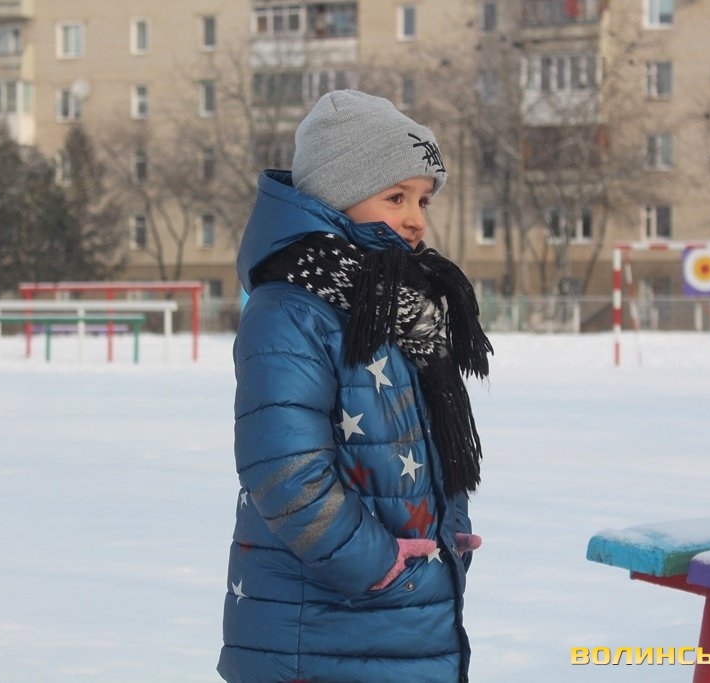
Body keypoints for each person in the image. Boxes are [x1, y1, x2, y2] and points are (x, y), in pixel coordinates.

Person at [218, 89, 492, 683]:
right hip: (321, 627)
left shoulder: (394, 303)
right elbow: (284, 471)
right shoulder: (292, 309)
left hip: (401, 611)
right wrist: (378, 566)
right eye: (396, 196)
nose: (416, 218)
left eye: (423, 199)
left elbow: (426, 444)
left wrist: (445, 533)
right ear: (338, 194)